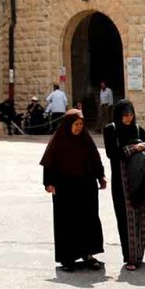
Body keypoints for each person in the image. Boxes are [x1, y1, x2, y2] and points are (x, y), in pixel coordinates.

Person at [39, 109, 107, 272]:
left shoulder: (85, 139)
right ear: (68, 124)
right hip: (65, 187)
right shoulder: (59, 140)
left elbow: (95, 158)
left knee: (88, 219)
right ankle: (67, 257)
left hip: (86, 185)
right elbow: (49, 162)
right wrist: (48, 183)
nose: (78, 127)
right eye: (76, 124)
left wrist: (101, 177)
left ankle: (88, 254)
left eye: (81, 124)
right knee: (67, 221)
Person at [104, 99, 145, 270]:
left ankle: (139, 253)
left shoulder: (138, 129)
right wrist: (134, 148)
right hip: (122, 183)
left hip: (141, 180)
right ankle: (130, 258)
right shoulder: (111, 130)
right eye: (125, 115)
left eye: (131, 115)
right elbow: (112, 153)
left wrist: (144, 148)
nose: (128, 118)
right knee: (126, 220)